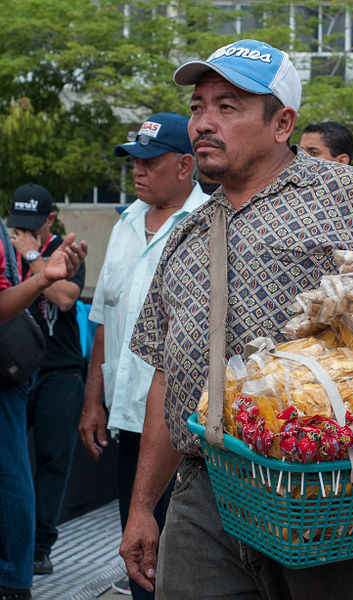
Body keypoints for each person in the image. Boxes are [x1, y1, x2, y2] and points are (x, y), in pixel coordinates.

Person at [120, 39, 353, 600]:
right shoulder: (186, 235)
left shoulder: (348, 196)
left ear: (283, 123)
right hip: (204, 492)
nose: (204, 122)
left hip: (320, 487)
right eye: (199, 106)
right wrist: (140, 508)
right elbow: (167, 376)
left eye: (227, 107)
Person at [78, 112, 208, 600]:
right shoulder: (126, 223)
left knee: (182, 556)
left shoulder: (204, 226)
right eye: (134, 160)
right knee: (137, 549)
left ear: (184, 165)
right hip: (128, 419)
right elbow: (103, 319)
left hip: (183, 430)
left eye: (150, 162)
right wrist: (94, 401)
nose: (138, 171)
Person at [0, 213, 86, 600]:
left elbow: (65, 298)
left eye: (32, 221)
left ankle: (21, 569)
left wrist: (35, 260)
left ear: (48, 219)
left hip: (45, 369)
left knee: (30, 466)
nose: (23, 227)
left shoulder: (51, 250)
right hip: (28, 368)